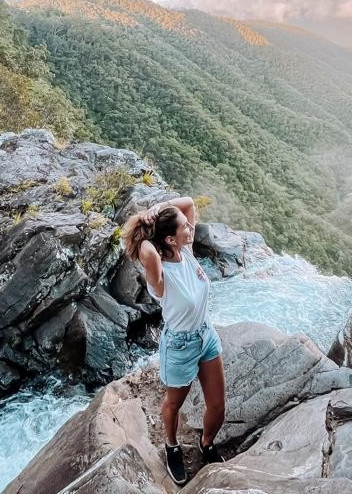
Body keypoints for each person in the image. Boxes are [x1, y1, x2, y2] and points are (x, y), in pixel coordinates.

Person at [122, 196, 225, 486]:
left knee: (218, 407)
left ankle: (206, 444)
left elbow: (189, 203)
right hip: (180, 344)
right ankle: (171, 445)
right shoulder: (160, 276)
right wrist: (145, 224)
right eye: (184, 228)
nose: (191, 228)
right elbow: (144, 249)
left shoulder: (186, 251)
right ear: (169, 239)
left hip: (206, 335)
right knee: (173, 404)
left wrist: (157, 209)